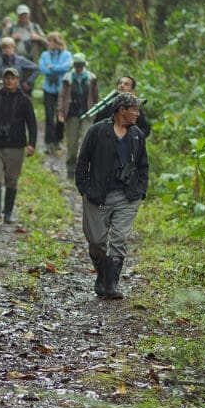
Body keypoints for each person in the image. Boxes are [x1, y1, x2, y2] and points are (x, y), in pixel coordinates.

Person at [74, 92, 149, 299]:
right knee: (96, 241)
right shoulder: (97, 132)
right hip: (98, 195)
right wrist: (84, 188)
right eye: (134, 109)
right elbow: (82, 162)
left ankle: (112, 284)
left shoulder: (136, 135)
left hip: (127, 195)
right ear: (122, 110)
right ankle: (102, 274)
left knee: (119, 238)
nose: (137, 113)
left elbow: (143, 166)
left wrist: (140, 189)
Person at [0, 67, 37, 224]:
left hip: (16, 146)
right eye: (7, 78)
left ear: (18, 80)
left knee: (12, 180)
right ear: (3, 80)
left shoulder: (25, 100)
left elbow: (32, 123)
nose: (9, 81)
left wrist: (32, 143)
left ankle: (8, 213)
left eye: (13, 78)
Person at [56, 53, 99, 178]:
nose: (79, 67)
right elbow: (62, 96)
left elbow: (95, 96)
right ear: (74, 65)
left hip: (88, 113)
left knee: (87, 142)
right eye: (77, 64)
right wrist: (60, 112)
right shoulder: (67, 78)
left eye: (81, 64)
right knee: (72, 144)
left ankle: (84, 171)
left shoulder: (91, 78)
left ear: (84, 65)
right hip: (72, 114)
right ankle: (70, 170)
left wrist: (96, 112)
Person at [38, 32, 72, 153]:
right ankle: (48, 142)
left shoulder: (66, 54)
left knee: (60, 116)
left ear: (57, 42)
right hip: (48, 89)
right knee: (49, 116)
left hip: (61, 90)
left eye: (50, 41)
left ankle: (57, 140)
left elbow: (66, 67)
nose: (48, 43)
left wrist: (51, 67)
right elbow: (42, 69)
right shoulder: (45, 54)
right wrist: (57, 68)